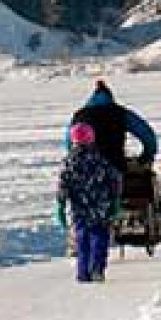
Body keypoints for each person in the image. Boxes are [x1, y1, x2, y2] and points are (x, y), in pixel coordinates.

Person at [57, 121, 122, 284]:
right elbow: (114, 180)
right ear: (92, 139)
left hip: (79, 208)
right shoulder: (100, 160)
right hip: (101, 207)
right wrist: (115, 201)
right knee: (100, 238)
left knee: (82, 239)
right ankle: (97, 269)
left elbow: (62, 185)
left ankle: (82, 272)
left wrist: (61, 205)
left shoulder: (68, 162)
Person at [67, 79, 157, 173]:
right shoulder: (120, 113)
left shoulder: (79, 116)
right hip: (115, 166)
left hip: (85, 168)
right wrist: (145, 158)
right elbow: (148, 136)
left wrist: (76, 160)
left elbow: (69, 143)